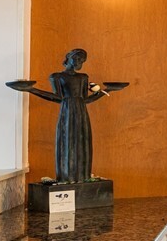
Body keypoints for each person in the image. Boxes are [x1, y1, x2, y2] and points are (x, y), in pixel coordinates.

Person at [7, 49, 127, 182]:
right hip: (67, 111)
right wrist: (31, 90)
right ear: (68, 58)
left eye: (81, 60)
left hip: (81, 112)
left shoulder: (83, 77)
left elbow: (86, 100)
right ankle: (65, 178)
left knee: (83, 141)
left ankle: (82, 177)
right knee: (66, 140)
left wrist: (107, 90)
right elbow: (57, 98)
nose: (78, 61)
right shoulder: (57, 76)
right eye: (76, 58)